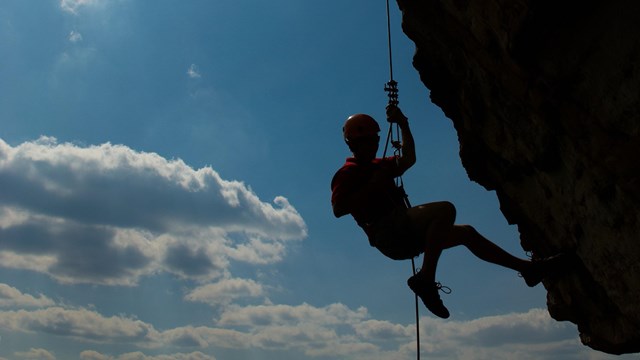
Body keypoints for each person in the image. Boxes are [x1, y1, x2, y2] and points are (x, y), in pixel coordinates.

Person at [330, 105, 563, 318]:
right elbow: (339, 209)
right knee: (444, 210)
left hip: (401, 232)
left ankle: (527, 269)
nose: (372, 145)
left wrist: (404, 123)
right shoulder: (347, 173)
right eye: (367, 142)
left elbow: (409, 158)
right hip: (386, 232)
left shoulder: (378, 166)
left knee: (466, 233)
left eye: (374, 140)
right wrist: (372, 185)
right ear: (352, 144)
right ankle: (426, 279)